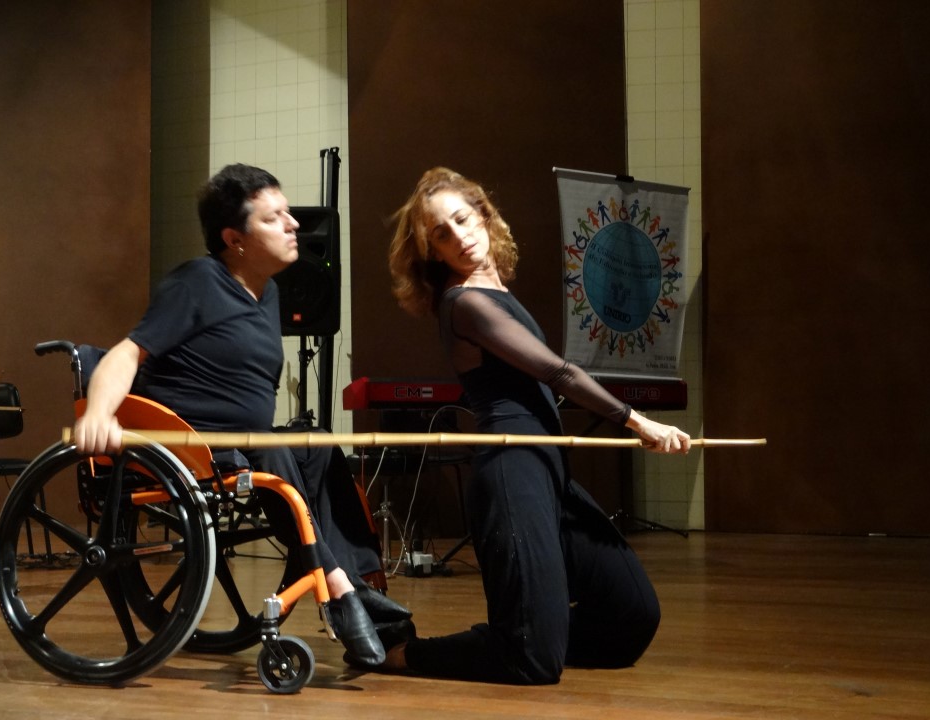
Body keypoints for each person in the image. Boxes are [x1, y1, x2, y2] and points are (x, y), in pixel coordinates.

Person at [74, 163, 409, 667]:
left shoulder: (268, 293)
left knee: (318, 445)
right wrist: (98, 413)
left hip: (244, 441)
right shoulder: (198, 281)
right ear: (235, 240)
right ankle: (340, 589)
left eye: (287, 213)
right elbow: (126, 353)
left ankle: (362, 584)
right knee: (273, 449)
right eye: (274, 218)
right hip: (193, 445)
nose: (293, 224)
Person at [383, 167, 691, 684]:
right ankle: (404, 655)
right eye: (441, 234)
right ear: (432, 251)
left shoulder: (496, 291)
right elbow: (558, 373)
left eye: (462, 219)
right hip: (512, 469)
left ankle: (530, 633)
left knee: (631, 616)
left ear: (483, 214)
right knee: (532, 662)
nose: (458, 236)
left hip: (548, 470)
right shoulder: (464, 302)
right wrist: (638, 422)